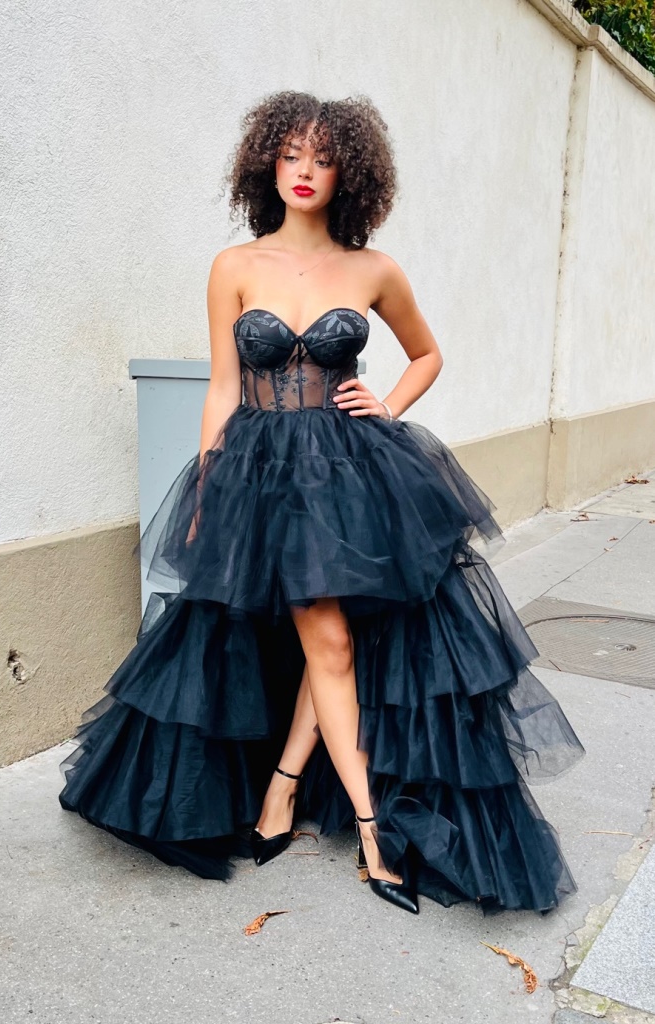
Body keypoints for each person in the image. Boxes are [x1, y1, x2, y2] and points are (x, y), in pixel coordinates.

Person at [58, 90, 585, 915]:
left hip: (347, 471)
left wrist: (389, 404)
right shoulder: (234, 266)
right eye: (292, 154)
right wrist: (207, 484)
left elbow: (427, 353)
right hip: (259, 471)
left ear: (351, 175)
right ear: (267, 163)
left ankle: (325, 811)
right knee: (323, 636)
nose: (305, 170)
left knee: (333, 634)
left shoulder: (374, 270)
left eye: (325, 158)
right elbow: (224, 386)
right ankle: (335, 814)